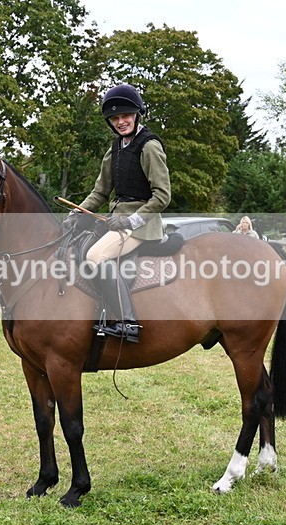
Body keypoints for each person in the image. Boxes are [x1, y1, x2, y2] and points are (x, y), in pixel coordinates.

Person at [67, 83, 171, 343]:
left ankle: (128, 322)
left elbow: (162, 195)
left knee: (96, 255)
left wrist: (131, 220)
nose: (120, 122)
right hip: (116, 223)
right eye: (115, 118)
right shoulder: (114, 150)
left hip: (142, 224)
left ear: (137, 115)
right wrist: (76, 213)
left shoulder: (149, 147)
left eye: (125, 116)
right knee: (78, 247)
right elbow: (99, 193)